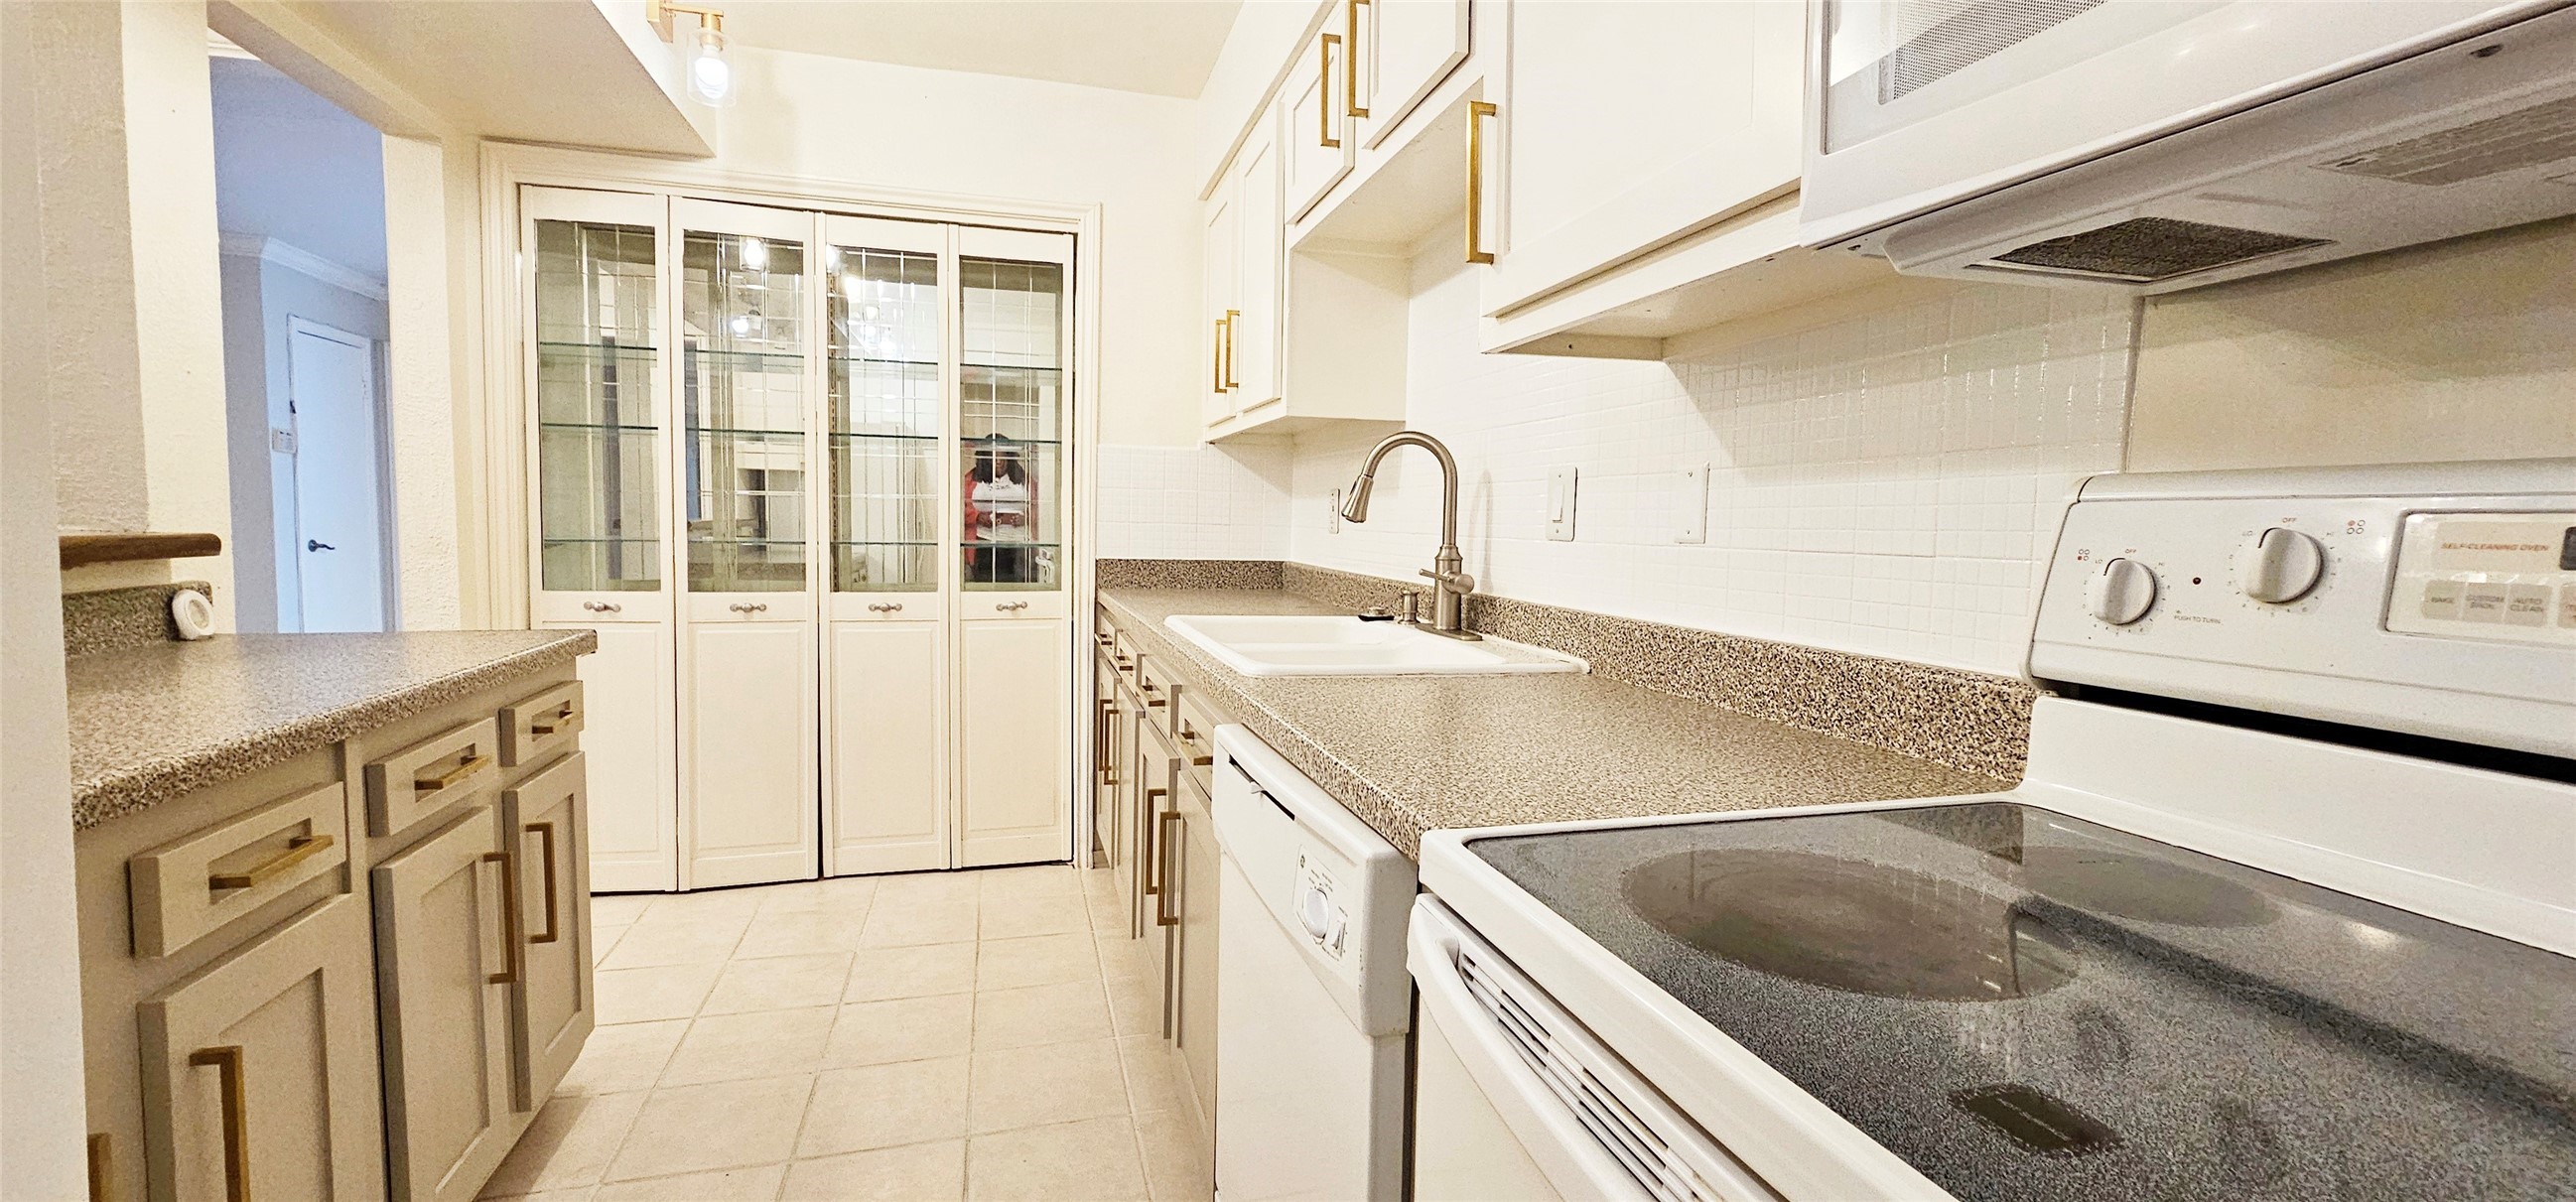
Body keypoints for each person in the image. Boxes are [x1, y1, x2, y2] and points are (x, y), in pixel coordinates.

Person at [963, 436, 1035, 584]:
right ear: (985, 458)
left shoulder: (1023, 479)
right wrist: (977, 516)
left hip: (1019, 545)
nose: (999, 461)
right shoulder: (971, 479)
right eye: (994, 457)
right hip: (984, 544)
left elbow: (1041, 508)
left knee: (1018, 591)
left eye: (1003, 456)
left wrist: (1026, 518)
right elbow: (957, 508)